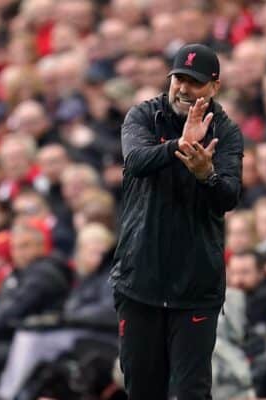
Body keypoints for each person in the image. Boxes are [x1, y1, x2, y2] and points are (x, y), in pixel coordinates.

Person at [109, 43, 243, 399]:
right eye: (178, 79)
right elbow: (135, 161)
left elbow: (228, 197)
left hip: (195, 287)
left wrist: (206, 174)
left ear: (214, 87)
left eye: (194, 82)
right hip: (140, 283)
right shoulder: (143, 116)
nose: (183, 89)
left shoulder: (226, 132)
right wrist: (178, 147)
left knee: (191, 393)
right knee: (142, 390)